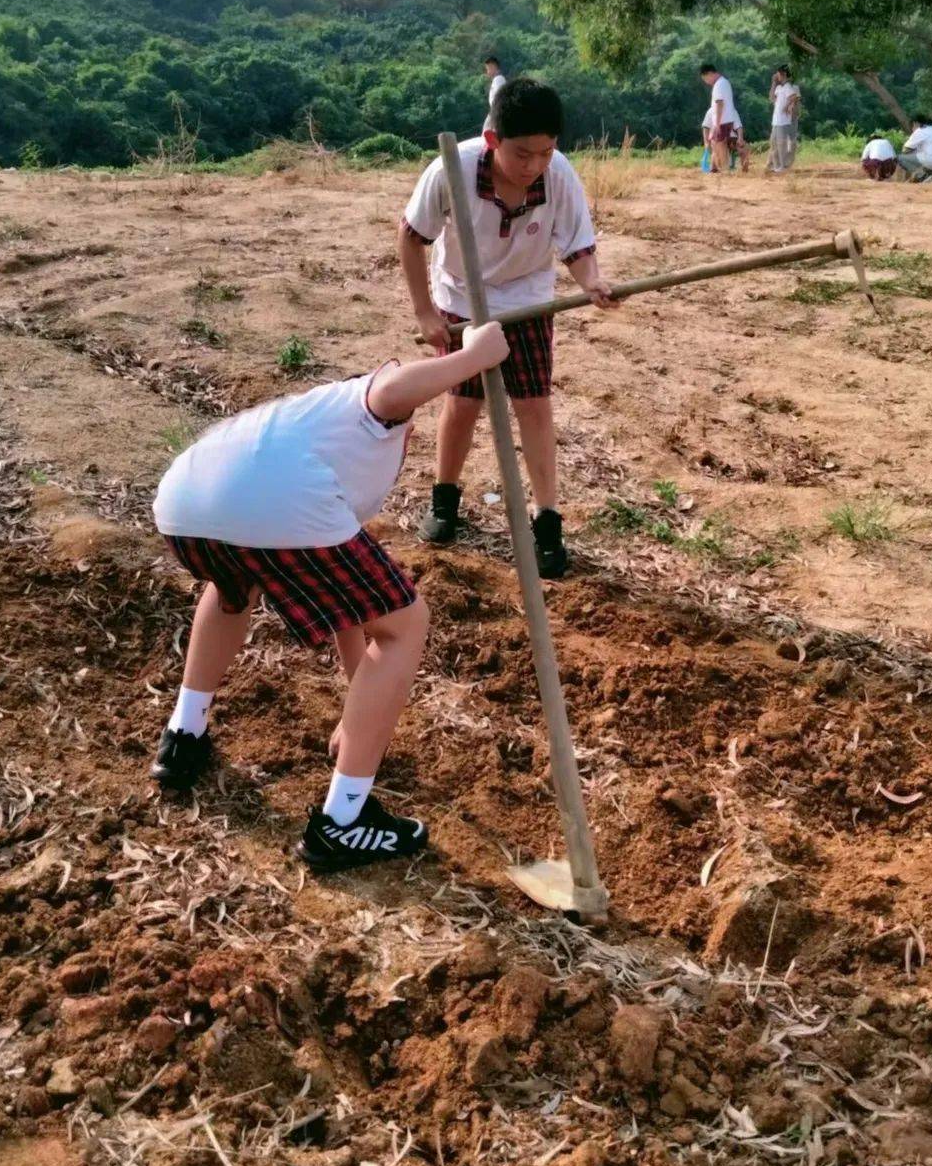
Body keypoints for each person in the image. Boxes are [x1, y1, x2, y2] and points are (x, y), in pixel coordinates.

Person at [150, 322, 509, 871]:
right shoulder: (369, 410)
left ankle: (183, 736)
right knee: (407, 623)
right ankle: (343, 821)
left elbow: (349, 610)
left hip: (185, 501)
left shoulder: (310, 426)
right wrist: (473, 357)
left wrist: (357, 709)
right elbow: (392, 389)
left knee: (231, 590)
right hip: (276, 498)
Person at [399, 77, 616, 579]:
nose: (534, 164)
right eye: (522, 153)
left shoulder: (558, 175)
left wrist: (592, 282)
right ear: (494, 139)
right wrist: (425, 313)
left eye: (545, 151)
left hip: (527, 299)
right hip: (462, 299)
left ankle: (547, 523)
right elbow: (410, 238)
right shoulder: (451, 169)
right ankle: (445, 500)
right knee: (463, 403)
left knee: (534, 405)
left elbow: (578, 247)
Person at [701, 64, 741, 174]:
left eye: (705, 79)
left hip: (722, 120)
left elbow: (719, 103)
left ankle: (725, 169)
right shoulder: (724, 82)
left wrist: (716, 124)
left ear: (709, 74)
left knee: (720, 145)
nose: (707, 82)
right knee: (715, 144)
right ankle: (716, 168)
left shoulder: (719, 85)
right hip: (726, 119)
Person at [897, 114, 932, 181]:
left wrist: (912, 145)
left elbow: (904, 150)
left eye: (912, 126)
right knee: (925, 158)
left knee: (900, 158)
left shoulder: (920, 130)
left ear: (916, 123)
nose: (912, 129)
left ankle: (923, 176)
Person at [767, 66, 801, 173]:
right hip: (776, 120)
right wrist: (773, 83)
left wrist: (787, 106)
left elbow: (794, 97)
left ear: (783, 74)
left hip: (783, 121)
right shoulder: (779, 88)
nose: (777, 76)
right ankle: (776, 166)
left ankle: (783, 166)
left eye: (778, 74)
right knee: (774, 143)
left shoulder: (788, 86)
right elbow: (771, 98)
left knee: (782, 144)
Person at [482, 55, 507, 137]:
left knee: (487, 134)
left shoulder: (498, 79)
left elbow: (498, 98)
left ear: (493, 67)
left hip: (496, 112)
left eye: (488, 69)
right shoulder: (497, 80)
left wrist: (494, 113)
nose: (487, 72)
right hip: (495, 112)